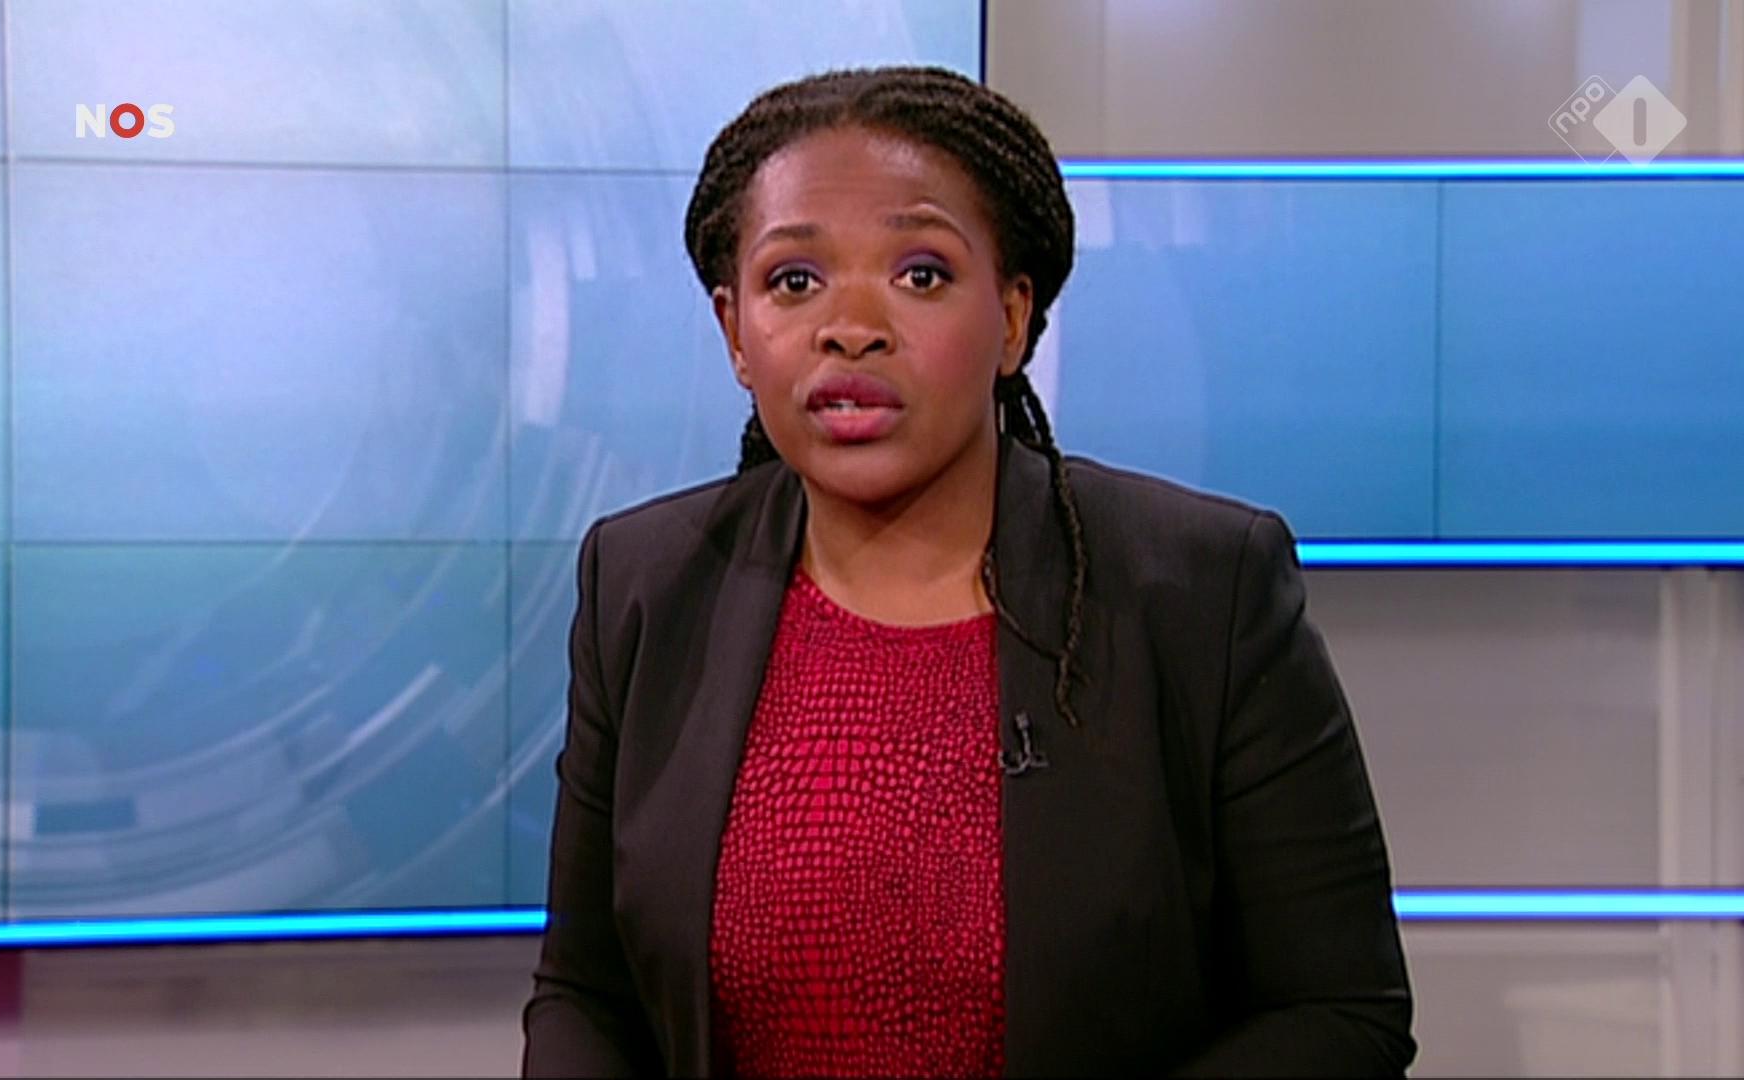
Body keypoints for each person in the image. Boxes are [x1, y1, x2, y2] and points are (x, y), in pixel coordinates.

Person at [521, 65, 1415, 1078]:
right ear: (734, 333)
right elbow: (585, 996)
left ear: (1013, 318)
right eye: (795, 281)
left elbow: (1340, 1010)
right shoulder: (644, 584)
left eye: (921, 274)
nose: (851, 327)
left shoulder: (1205, 590)